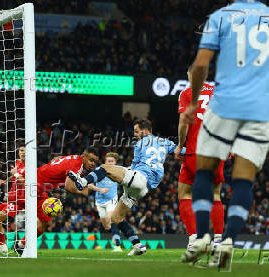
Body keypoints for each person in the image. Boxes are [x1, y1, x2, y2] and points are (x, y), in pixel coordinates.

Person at [181, 0, 269, 267]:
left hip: (226, 100)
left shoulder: (221, 17)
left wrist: (194, 102)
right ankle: (227, 240)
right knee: (243, 180)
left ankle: (204, 236)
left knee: (204, 173)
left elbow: (200, 65)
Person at [69, 119, 185, 256]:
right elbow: (183, 150)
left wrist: (118, 174)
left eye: (136, 131)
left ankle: (82, 182)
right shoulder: (166, 142)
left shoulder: (140, 143)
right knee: (116, 218)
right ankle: (138, 245)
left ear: (145, 130)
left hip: (140, 178)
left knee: (105, 168)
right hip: (145, 188)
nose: (135, 134)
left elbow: (135, 167)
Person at [176, 68, 225, 251]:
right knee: (215, 194)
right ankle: (218, 241)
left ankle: (195, 239)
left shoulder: (187, 93)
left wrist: (180, 145)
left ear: (189, 76)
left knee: (185, 193)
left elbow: (183, 122)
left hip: (196, 149)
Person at [94, 152, 122, 252]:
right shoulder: (98, 171)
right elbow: (88, 185)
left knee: (112, 218)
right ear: (105, 162)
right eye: (108, 161)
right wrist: (99, 189)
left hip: (112, 199)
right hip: (100, 201)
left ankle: (117, 245)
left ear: (115, 163)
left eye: (112, 161)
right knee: (106, 226)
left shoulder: (119, 171)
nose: (110, 163)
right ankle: (115, 234)